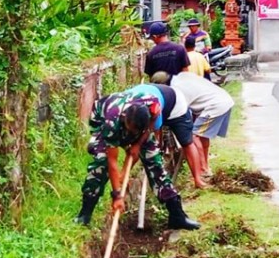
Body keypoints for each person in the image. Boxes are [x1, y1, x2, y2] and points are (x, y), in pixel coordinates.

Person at [74, 89, 200, 230]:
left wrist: (138, 144)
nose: (131, 135)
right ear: (125, 120)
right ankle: (84, 215)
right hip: (102, 122)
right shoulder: (112, 120)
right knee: (101, 163)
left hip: (141, 129)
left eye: (135, 132)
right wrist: (117, 195)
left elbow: (151, 124)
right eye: (131, 131)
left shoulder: (153, 105)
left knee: (154, 162)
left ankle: (177, 216)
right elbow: (112, 161)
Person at [150, 70, 234, 177]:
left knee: (194, 137)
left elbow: (182, 111)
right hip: (221, 99)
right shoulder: (181, 76)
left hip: (215, 105)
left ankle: (203, 169)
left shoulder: (177, 89)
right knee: (202, 136)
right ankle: (205, 166)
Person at [127, 83, 207, 189]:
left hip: (176, 107)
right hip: (158, 97)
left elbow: (155, 134)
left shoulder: (154, 109)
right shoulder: (126, 105)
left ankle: (198, 179)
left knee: (187, 142)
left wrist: (156, 150)